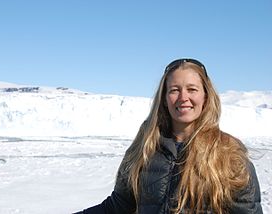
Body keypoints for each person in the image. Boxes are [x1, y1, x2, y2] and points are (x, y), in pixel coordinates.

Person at [74, 58, 263, 214]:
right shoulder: (143, 149)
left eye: (192, 89)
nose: (183, 97)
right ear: (164, 99)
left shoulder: (228, 154)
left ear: (206, 96)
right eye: (174, 90)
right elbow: (118, 207)